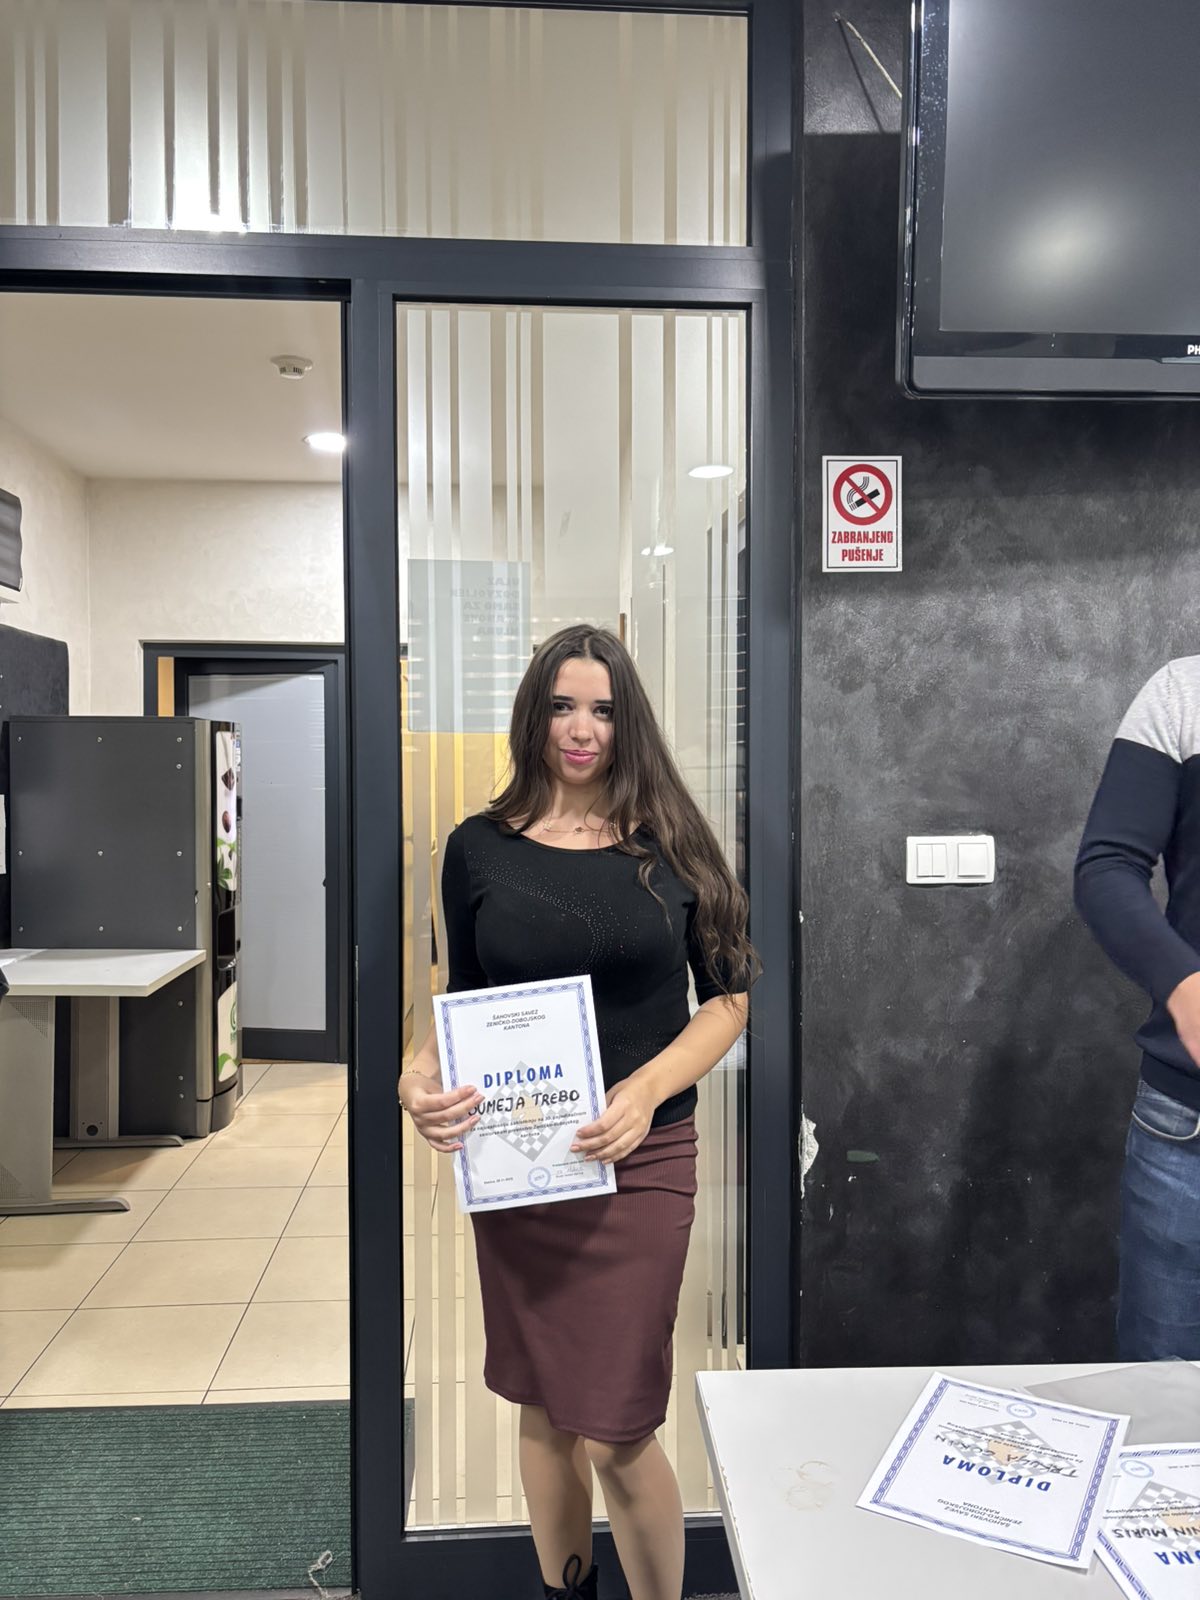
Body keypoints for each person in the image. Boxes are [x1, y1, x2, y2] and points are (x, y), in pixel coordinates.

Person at [398, 623, 756, 1600]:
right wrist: (415, 1075)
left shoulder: (672, 842)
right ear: (534, 715)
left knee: (619, 1427)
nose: (582, 728)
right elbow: (463, 996)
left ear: (627, 721)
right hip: (521, 1166)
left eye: (602, 709)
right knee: (544, 1405)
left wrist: (645, 1089)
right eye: (562, 706)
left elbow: (730, 999)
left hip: (641, 1164)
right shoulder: (478, 848)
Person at [1075, 657, 1200, 1360]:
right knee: (1164, 1393)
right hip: (1189, 1126)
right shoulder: (1185, 693)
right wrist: (1184, 985)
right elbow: (1107, 867)